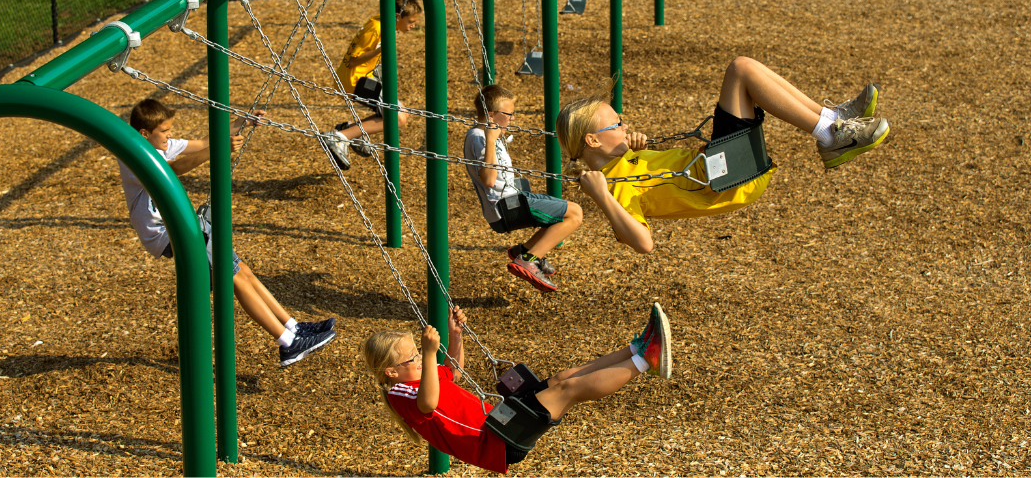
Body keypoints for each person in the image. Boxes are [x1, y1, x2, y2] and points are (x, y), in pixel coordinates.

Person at [556, 56, 890, 254]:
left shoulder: (623, 162)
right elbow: (643, 243)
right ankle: (832, 134)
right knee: (741, 69)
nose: (625, 125)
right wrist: (601, 196)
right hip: (725, 177)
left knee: (744, 71)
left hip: (725, 167)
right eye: (616, 124)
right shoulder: (613, 188)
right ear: (592, 141)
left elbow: (654, 180)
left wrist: (638, 149)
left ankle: (834, 121)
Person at [119, 98, 337, 367]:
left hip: (183, 224)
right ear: (145, 134)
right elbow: (172, 170)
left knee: (242, 270)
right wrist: (219, 150)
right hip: (167, 234)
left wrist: (239, 123)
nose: (170, 135)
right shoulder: (134, 156)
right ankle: (287, 343)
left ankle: (293, 326)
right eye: (165, 131)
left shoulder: (159, 145)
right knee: (233, 277)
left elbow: (202, 143)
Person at [362, 302, 671, 474]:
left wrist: (455, 336)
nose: (419, 358)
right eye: (412, 357)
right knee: (569, 391)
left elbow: (452, 371)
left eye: (418, 353)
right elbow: (428, 404)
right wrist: (429, 355)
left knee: (563, 378)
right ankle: (647, 360)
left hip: (498, 420)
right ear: (391, 372)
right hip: (494, 440)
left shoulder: (419, 375)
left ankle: (636, 349)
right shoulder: (399, 393)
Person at [463, 84, 583, 293]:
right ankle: (527, 259)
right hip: (506, 208)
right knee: (574, 214)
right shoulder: (480, 138)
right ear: (491, 116)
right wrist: (491, 141)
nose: (512, 119)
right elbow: (489, 180)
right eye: (509, 114)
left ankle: (524, 250)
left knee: (558, 216)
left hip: (512, 199)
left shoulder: (479, 134)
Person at [321, 0, 423, 170]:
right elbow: (353, 60)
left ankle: (349, 129)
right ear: (397, 16)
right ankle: (340, 136)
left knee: (403, 113)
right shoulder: (377, 28)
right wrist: (380, 50)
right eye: (410, 21)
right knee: (398, 119)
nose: (413, 26)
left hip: (364, 77)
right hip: (356, 81)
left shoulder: (383, 22)